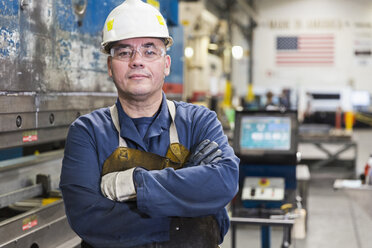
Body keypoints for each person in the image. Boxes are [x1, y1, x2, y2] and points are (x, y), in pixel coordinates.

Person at [59, 0, 239, 247]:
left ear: (166, 64)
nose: (137, 61)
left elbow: (225, 182)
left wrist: (133, 184)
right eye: (124, 52)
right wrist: (188, 213)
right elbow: (87, 218)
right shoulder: (87, 132)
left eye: (150, 51)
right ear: (110, 67)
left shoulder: (200, 122)